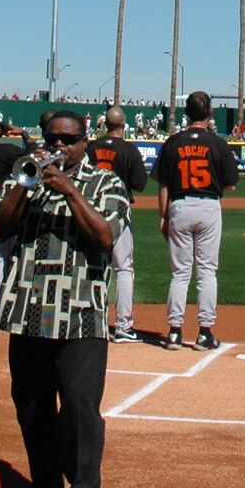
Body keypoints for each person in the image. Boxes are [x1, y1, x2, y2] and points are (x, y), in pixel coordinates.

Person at [0, 108, 130, 488]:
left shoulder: (106, 183)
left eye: (68, 140)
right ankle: (46, 481)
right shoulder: (23, 175)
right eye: (53, 138)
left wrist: (69, 190)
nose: (59, 146)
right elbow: (0, 228)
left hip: (81, 312)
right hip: (28, 308)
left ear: (84, 143)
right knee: (31, 405)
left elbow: (103, 237)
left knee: (80, 409)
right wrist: (24, 184)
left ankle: (85, 482)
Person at [153, 90, 239, 350]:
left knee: (180, 273)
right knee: (206, 272)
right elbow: (231, 185)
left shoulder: (173, 142)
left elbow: (163, 185)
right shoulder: (217, 143)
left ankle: (175, 333)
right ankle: (204, 332)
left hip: (179, 205)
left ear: (186, 113)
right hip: (208, 205)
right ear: (210, 113)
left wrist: (163, 216)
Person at [83, 106, 149, 342]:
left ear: (104, 124)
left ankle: (92, 322)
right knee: (123, 268)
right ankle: (122, 326)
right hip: (117, 213)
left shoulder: (92, 147)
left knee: (93, 266)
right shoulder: (129, 150)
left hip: (90, 212)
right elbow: (140, 184)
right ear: (123, 124)